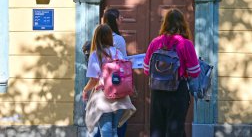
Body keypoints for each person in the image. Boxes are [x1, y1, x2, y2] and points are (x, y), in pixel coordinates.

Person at [143, 8, 201, 137]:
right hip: (178, 91)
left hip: (157, 91)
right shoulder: (186, 44)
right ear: (182, 23)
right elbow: (195, 72)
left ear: (165, 23)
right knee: (175, 130)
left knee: (157, 129)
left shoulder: (155, 42)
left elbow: (146, 70)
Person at [82, 24, 136, 137]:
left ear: (96, 37)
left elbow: (94, 79)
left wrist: (85, 90)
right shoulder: (118, 53)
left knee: (106, 133)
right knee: (114, 131)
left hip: (104, 97)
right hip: (120, 96)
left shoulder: (95, 55)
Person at [102, 8, 128, 137]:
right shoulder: (118, 39)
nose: (122, 19)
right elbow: (124, 63)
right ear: (114, 20)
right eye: (120, 17)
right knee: (118, 121)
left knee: (104, 121)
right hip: (117, 84)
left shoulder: (98, 39)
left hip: (102, 85)